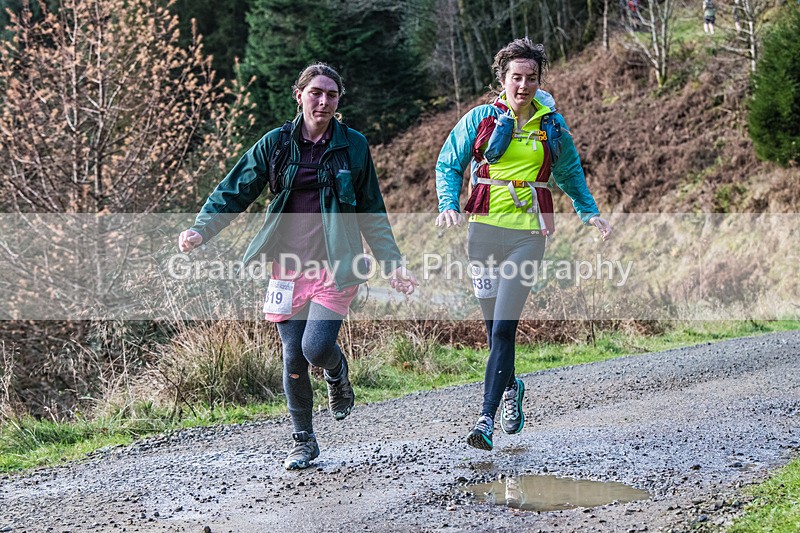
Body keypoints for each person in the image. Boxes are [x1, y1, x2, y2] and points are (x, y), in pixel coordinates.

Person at [179, 63, 418, 470]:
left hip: (336, 264)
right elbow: (235, 190)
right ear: (300, 95)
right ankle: (303, 440)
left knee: (316, 347)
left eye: (332, 94)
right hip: (286, 266)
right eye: (316, 92)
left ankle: (337, 371)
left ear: (339, 100)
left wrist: (392, 263)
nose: (323, 100)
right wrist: (202, 229)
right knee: (292, 358)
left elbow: (372, 211)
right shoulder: (276, 144)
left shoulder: (353, 146)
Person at [434, 38, 611, 451]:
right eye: (516, 77)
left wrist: (589, 212)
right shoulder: (480, 117)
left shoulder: (551, 124)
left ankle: (484, 420)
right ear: (503, 79)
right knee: (493, 328)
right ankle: (512, 386)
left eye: (531, 78)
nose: (524, 85)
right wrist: (448, 204)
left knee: (505, 328)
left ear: (539, 80)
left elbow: (569, 172)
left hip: (528, 236)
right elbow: (449, 162)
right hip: (482, 233)